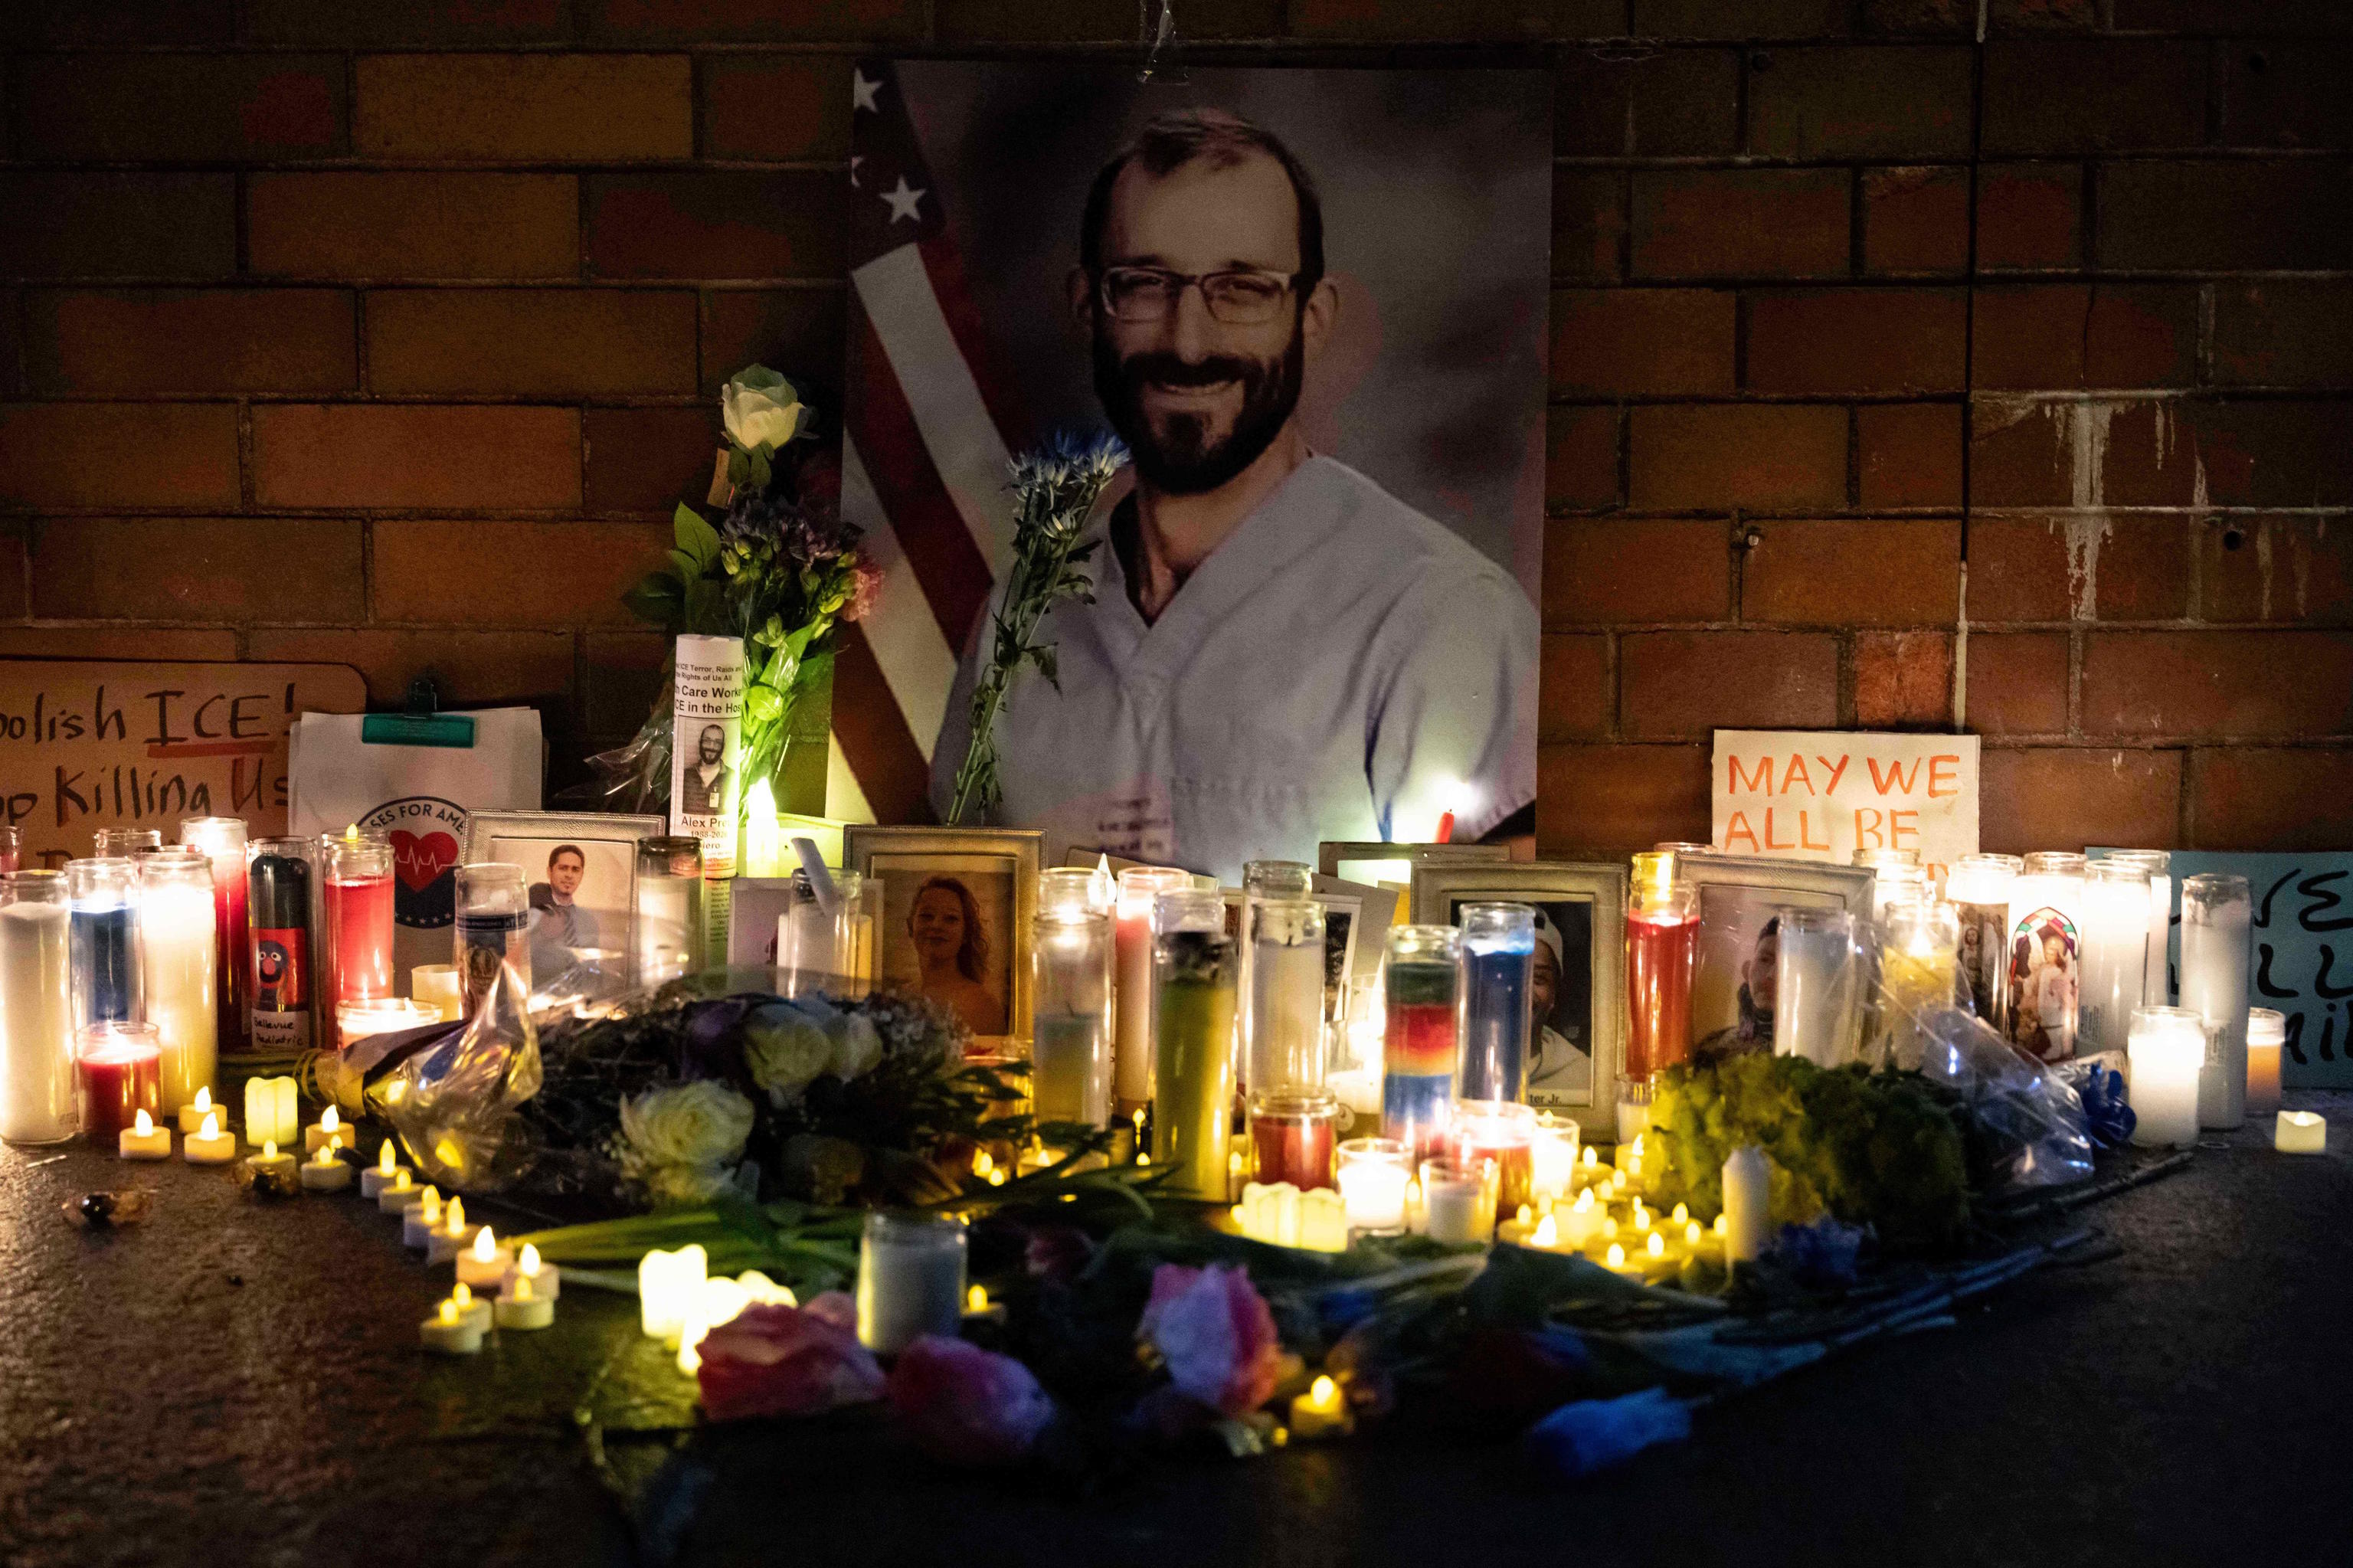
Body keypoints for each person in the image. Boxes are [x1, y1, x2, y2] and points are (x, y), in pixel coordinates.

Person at [927, 108, 1537, 882]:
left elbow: (1503, 964)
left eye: (1242, 289)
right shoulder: (1021, 616)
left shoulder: (1445, 619)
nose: (1188, 341)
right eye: (1144, 285)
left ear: (1311, 319)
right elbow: (952, 910)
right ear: (1088, 306)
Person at [905, 875, 1007, 1036]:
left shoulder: (982, 1007)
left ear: (966, 934)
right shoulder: (902, 997)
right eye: (927, 916)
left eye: (950, 919)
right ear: (911, 925)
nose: (936, 925)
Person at [1526, 908, 1591, 1099]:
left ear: (1553, 996)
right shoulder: (1456, 1064)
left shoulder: (1582, 1074)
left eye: (1538, 978)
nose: (1524, 990)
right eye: (1513, 974)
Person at [528, 844, 601, 980]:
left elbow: (592, 968)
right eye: (563, 868)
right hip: (539, 992)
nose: (569, 875)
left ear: (581, 875)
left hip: (577, 994)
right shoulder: (534, 904)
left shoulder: (588, 921)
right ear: (550, 872)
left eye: (575, 870)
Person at [679, 724, 735, 819]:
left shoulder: (732, 776)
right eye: (707, 741)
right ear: (700, 742)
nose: (712, 747)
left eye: (717, 742)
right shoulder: (685, 775)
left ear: (723, 746)